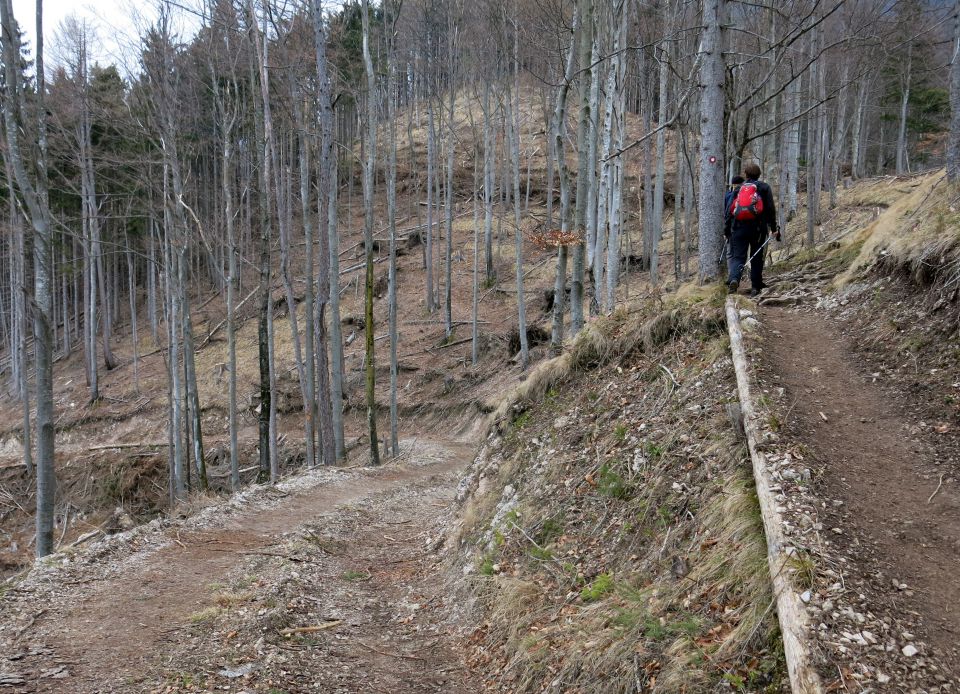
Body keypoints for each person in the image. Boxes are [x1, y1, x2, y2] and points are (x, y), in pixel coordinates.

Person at [724, 163, 780, 297]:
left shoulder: (739, 188)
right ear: (759, 175)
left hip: (738, 228)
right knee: (757, 257)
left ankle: (734, 279)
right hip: (758, 229)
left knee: (738, 257)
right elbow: (770, 209)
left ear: (746, 174)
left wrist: (727, 230)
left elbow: (729, 211)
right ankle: (755, 287)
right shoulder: (764, 187)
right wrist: (773, 228)